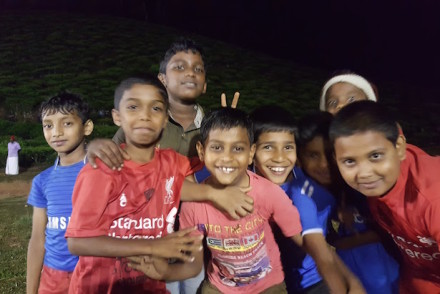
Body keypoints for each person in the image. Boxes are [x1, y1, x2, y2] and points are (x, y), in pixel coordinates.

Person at [65, 78, 250, 293]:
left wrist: (214, 192)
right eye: (133, 107)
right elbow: (77, 242)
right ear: (117, 116)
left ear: (165, 119)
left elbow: (177, 184)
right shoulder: (101, 170)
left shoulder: (173, 163)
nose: (145, 115)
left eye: (156, 108)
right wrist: (153, 247)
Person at [148, 107, 362, 294]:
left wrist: (350, 281)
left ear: (250, 153)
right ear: (202, 151)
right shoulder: (195, 204)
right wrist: (166, 271)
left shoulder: (272, 192)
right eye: (217, 147)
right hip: (220, 288)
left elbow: (313, 245)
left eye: (238, 148)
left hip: (274, 285)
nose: (227, 157)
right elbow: (193, 265)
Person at [250, 106, 364, 294]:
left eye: (288, 147)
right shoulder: (242, 187)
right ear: (252, 150)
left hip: (314, 280)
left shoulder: (311, 181)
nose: (279, 158)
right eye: (268, 147)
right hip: (269, 284)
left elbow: (321, 245)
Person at [329, 100, 440, 293]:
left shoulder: (432, 198)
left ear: (399, 148)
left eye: (375, 156)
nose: (364, 173)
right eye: (349, 161)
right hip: (417, 275)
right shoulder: (380, 183)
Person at [297, 111, 399, 294]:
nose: (324, 164)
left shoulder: (361, 183)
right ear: (299, 158)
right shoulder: (304, 190)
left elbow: (390, 230)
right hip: (345, 267)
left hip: (382, 266)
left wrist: (343, 243)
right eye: (313, 155)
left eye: (331, 155)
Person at [26, 92, 94, 294]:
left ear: (87, 127)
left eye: (67, 123)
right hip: (52, 279)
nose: (56, 132)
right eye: (48, 125)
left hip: (94, 275)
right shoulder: (42, 181)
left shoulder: (102, 173)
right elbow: (38, 239)